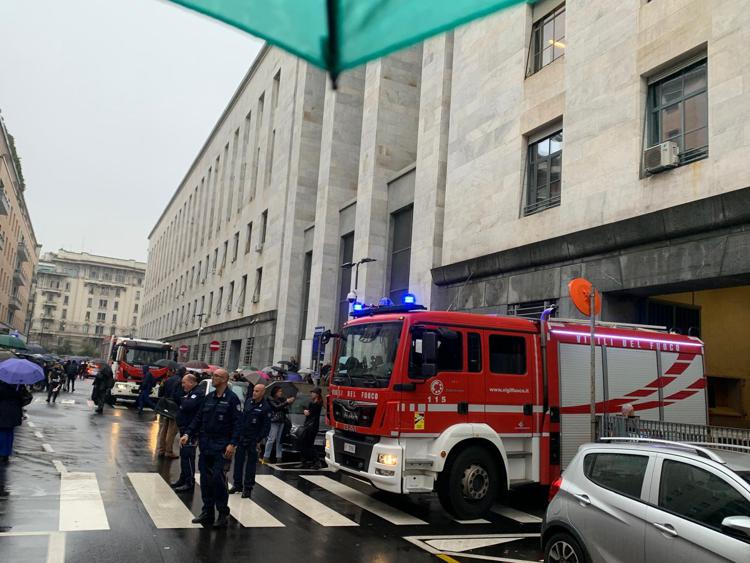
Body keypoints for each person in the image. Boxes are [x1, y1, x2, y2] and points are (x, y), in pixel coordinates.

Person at [180, 369, 241, 528]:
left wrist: (232, 443)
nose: (213, 378)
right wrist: (188, 433)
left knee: (218, 480)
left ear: (225, 379)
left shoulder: (232, 400)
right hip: (206, 445)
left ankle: (222, 513)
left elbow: (237, 424)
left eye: (216, 376)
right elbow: (199, 418)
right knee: (206, 481)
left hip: (222, 447)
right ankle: (207, 512)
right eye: (213, 376)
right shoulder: (209, 398)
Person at [230, 384, 271, 498]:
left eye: (257, 391)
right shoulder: (248, 402)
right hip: (243, 437)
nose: (254, 393)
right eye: (254, 390)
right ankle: (237, 485)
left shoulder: (265, 407)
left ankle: (248, 487)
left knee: (251, 465)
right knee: (238, 462)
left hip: (253, 439)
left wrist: (258, 440)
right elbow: (243, 419)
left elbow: (266, 427)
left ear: (262, 392)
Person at [171, 373, 204, 492]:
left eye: (184, 383)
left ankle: (189, 482)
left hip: (191, 430)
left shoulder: (198, 392)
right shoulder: (190, 393)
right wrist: (184, 399)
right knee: (184, 455)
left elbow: (187, 405)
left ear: (191, 382)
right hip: (185, 428)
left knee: (188, 456)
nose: (182, 385)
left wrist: (184, 400)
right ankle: (183, 478)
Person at [0, 382, 32, 464]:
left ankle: (2, 453)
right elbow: (26, 397)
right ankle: (7, 453)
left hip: (2, 410)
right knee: (10, 431)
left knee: (2, 431)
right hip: (14, 410)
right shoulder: (18, 383)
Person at [263, 385, 294, 463]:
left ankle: (279, 456)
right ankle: (266, 456)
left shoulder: (281, 399)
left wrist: (288, 403)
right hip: (274, 420)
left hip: (282, 420)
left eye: (281, 391)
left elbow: (285, 410)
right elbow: (276, 407)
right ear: (275, 392)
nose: (281, 393)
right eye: (279, 391)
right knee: (271, 438)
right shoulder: (270, 398)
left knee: (279, 440)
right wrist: (286, 402)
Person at [156, 367, 182, 458]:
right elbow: (178, 396)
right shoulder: (180, 381)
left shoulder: (168, 380)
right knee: (172, 430)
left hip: (166, 406)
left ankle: (161, 449)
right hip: (174, 407)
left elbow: (160, 392)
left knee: (164, 429)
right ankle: (168, 451)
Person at [299, 387, 323, 469]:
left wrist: (305, 411)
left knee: (306, 444)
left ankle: (314, 461)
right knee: (307, 444)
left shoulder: (314, 404)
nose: (311, 394)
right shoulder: (319, 403)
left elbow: (309, 414)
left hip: (310, 427)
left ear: (317, 394)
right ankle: (309, 461)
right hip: (313, 426)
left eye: (313, 393)